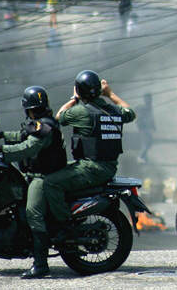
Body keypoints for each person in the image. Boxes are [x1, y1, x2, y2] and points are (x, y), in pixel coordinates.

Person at [0, 86, 67, 279]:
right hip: (34, 174)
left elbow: (27, 147)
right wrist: (0, 135)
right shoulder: (40, 123)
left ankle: (40, 265)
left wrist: (0, 150)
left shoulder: (44, 126)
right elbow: (22, 135)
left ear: (28, 108)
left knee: (32, 212)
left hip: (43, 177)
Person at [44, 71, 137, 242]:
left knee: (50, 183)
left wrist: (73, 98)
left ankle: (64, 226)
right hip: (108, 167)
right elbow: (130, 112)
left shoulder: (82, 112)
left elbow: (59, 117)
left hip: (91, 168)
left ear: (80, 92)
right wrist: (110, 94)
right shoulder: (114, 111)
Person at [137, 93, 155, 163]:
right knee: (147, 143)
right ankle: (141, 157)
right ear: (145, 99)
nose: (150, 100)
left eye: (150, 99)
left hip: (147, 128)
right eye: (148, 99)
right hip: (144, 128)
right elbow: (141, 118)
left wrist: (153, 126)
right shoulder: (143, 108)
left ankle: (144, 158)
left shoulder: (149, 107)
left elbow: (151, 118)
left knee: (147, 143)